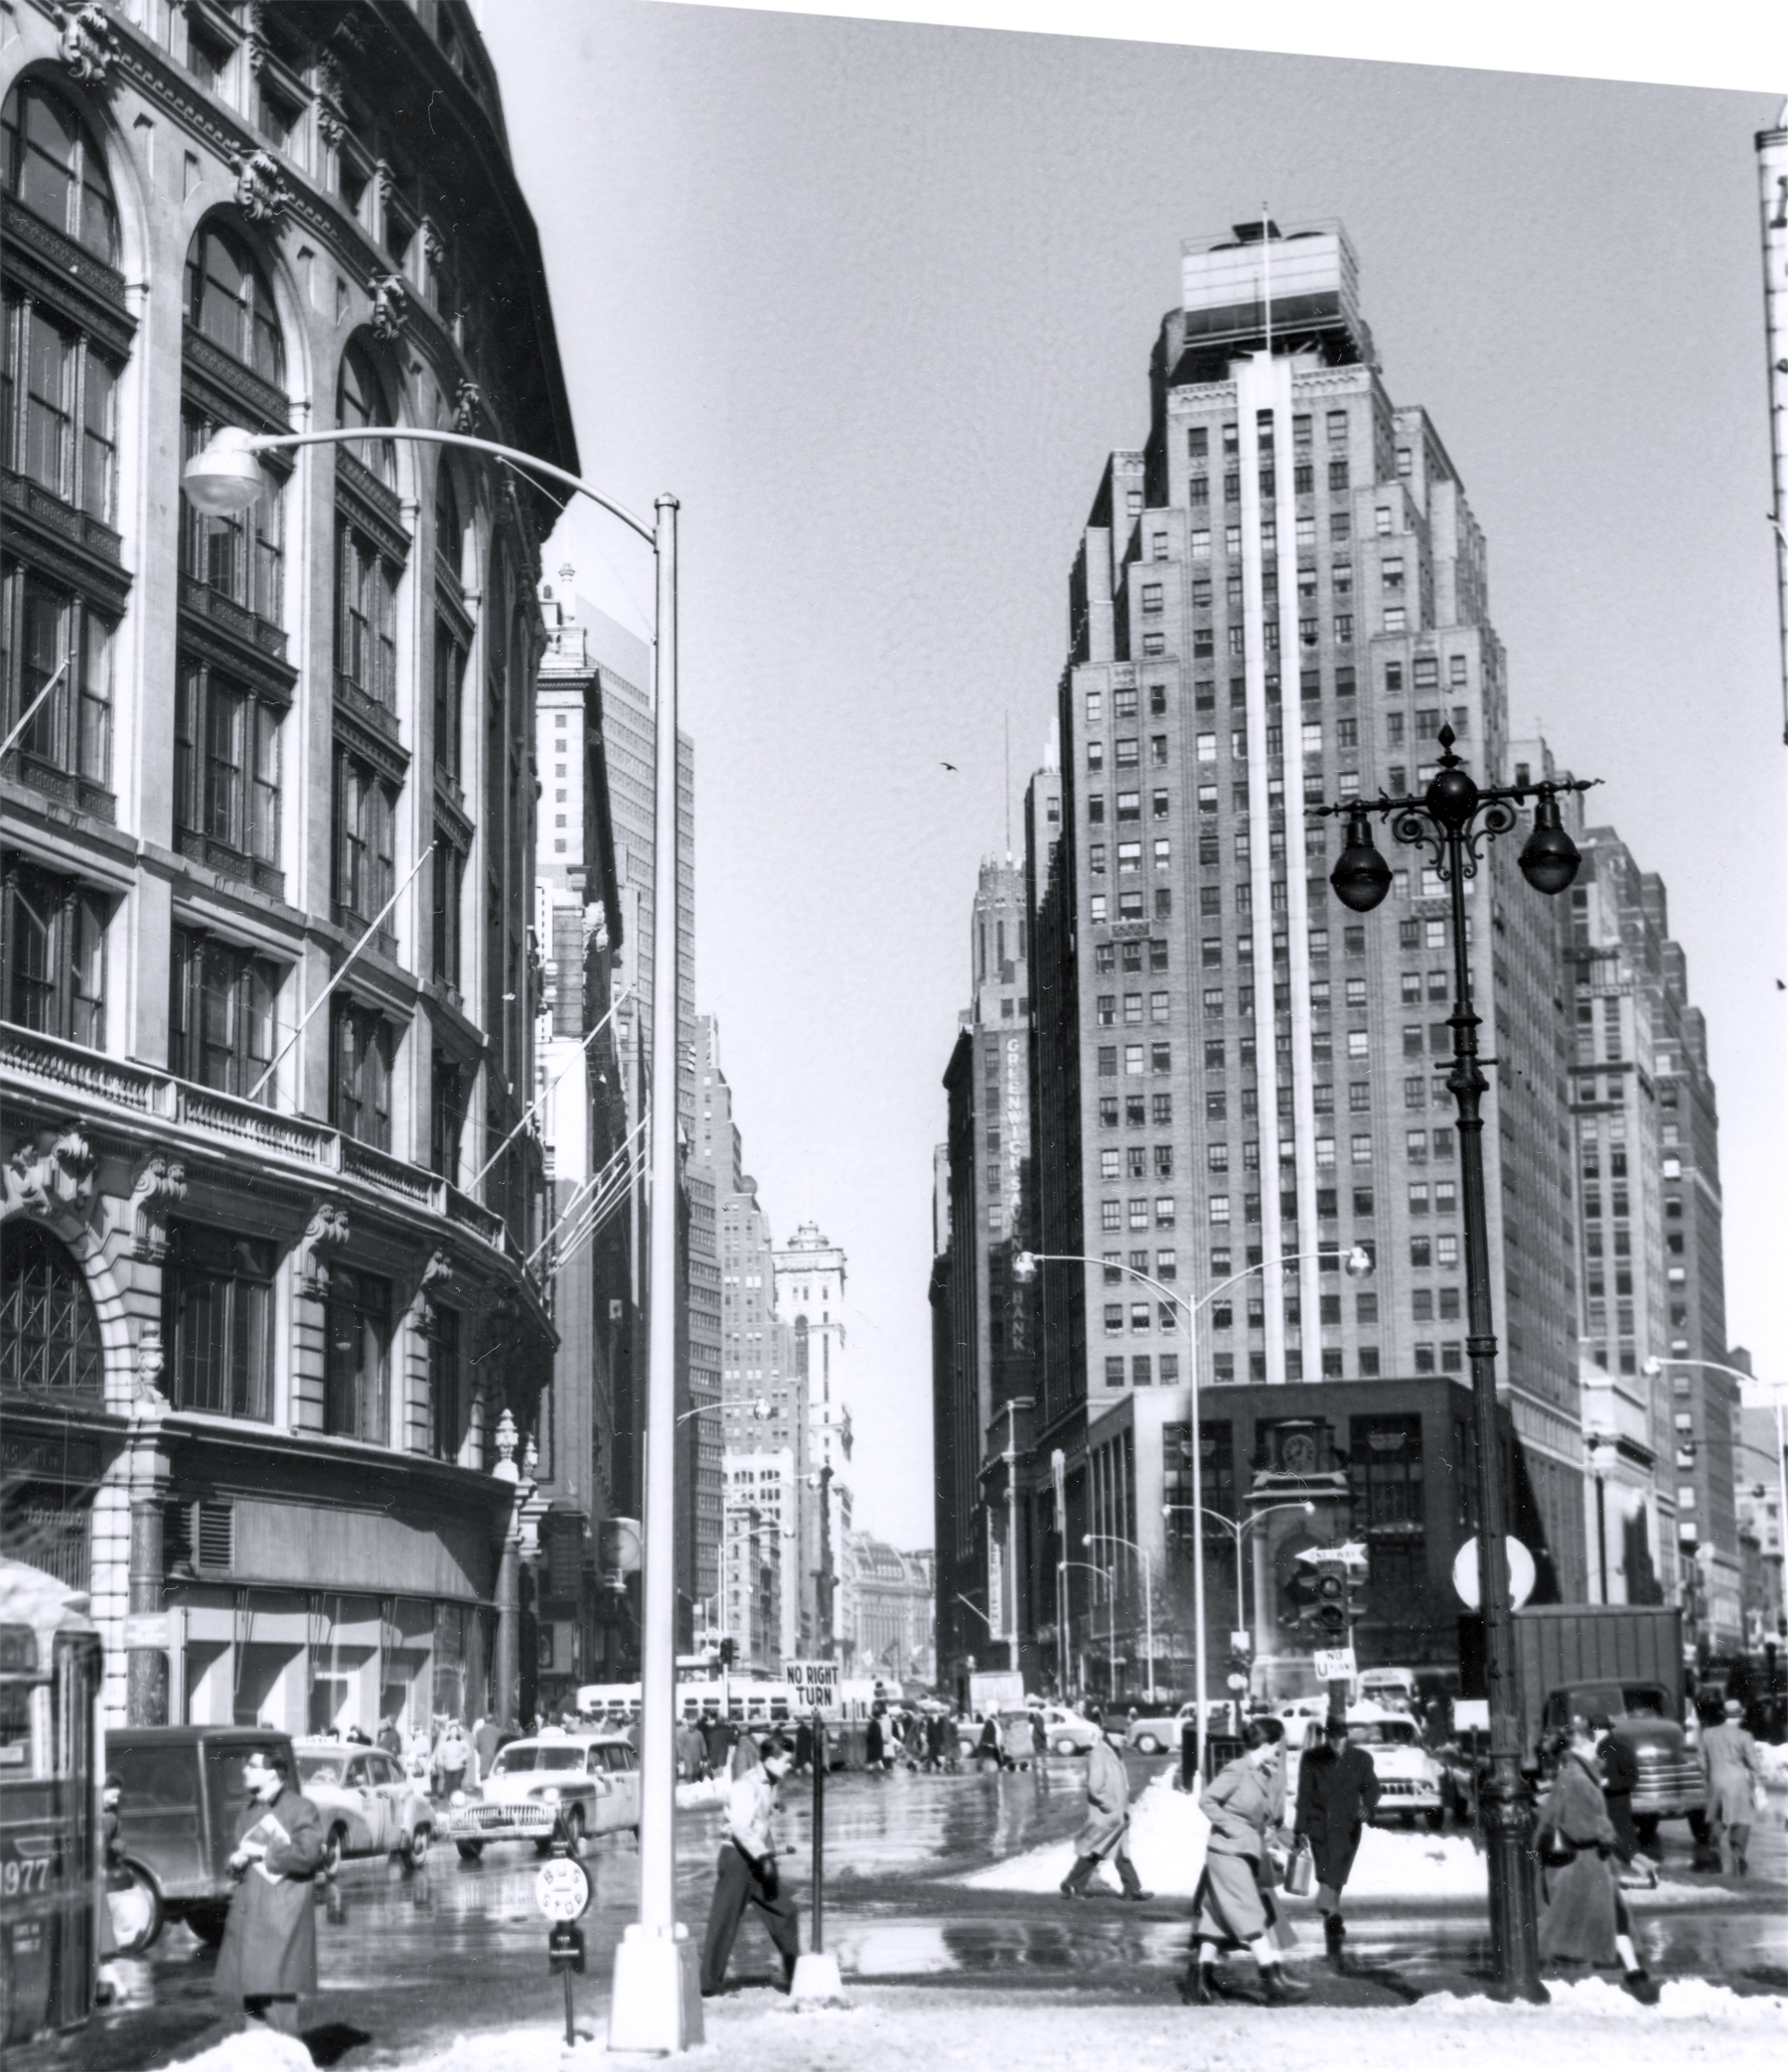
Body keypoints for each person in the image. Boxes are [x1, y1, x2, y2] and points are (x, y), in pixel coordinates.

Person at [1180, 1719, 1309, 2006]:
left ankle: (1197, 1985)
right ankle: (1272, 1983)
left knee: (1214, 1921)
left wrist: (1281, 1842)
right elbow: (1207, 1800)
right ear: (1266, 1745)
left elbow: (1265, 1819)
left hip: (1241, 1853)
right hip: (1227, 1853)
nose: (1278, 1751)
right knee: (1252, 1914)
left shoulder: (1260, 1774)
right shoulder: (1237, 1770)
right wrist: (1235, 1829)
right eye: (1276, 1746)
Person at [1535, 1718, 1655, 2001]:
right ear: (1581, 1746)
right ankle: (1536, 1976)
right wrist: (1608, 1835)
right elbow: (1581, 1825)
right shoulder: (1575, 1778)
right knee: (1566, 1925)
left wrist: (1630, 1856)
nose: (1596, 1747)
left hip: (1593, 1866)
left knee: (1613, 1919)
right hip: (1584, 1868)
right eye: (1591, 1742)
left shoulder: (1583, 1775)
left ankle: (1635, 1975)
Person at [214, 1746, 326, 2037]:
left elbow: (309, 1855)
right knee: (253, 2008)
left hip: (279, 1923)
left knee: (279, 2008)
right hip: (248, 1921)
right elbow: (241, 1865)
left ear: (273, 1774)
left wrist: (264, 1852)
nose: (244, 1770)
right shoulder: (248, 1812)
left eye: (251, 1765)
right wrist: (236, 1863)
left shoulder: (301, 1809)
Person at [699, 1735, 802, 1998]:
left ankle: (798, 1977)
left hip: (756, 1858)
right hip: (738, 1858)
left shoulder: (769, 1782)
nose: (790, 1766)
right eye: (786, 1761)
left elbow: (759, 1823)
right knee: (724, 1921)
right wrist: (764, 1857)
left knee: (785, 1911)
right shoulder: (747, 1785)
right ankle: (707, 1985)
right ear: (770, 1760)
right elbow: (740, 1828)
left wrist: (767, 1856)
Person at [1293, 1715, 1381, 1965]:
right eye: (1332, 1737)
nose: (1336, 1742)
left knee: (1336, 1877)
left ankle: (1332, 1919)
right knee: (1325, 1876)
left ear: (1347, 1736)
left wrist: (1369, 1808)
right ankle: (1332, 1918)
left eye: (1340, 1737)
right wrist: (1299, 1830)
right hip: (1319, 1826)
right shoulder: (1311, 1758)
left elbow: (1372, 1788)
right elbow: (1304, 1794)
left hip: (1348, 1827)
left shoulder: (1361, 1759)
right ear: (1326, 1736)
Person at [1061, 1727, 1152, 1901]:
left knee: (1118, 1851)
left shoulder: (1114, 1753)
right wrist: (1112, 1806)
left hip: (1116, 1814)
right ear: (1110, 1733)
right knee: (1096, 1851)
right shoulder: (1099, 1754)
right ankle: (1072, 1883)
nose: (1124, 1738)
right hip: (1106, 1814)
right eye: (1121, 1734)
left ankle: (1131, 1889)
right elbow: (1095, 1787)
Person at [1701, 1698, 1762, 1876]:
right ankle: (1738, 1853)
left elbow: (1701, 1759)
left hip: (1716, 1780)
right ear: (1740, 1716)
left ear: (1724, 1715)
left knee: (1718, 1815)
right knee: (1742, 1818)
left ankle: (1714, 1846)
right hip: (1738, 1783)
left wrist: (1709, 1774)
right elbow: (1754, 1764)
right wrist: (1757, 1775)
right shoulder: (1744, 1736)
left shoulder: (1708, 1733)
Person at [1596, 1725, 1640, 1866]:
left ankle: (1649, 1869)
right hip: (1602, 1805)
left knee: (1626, 1847)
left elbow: (1631, 1778)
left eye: (1594, 1729)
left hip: (1618, 1805)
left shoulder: (1620, 1749)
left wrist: (1609, 1782)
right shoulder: (1593, 1750)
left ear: (1603, 1730)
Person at [675, 1714, 709, 1782]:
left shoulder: (699, 1733)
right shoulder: (684, 1734)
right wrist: (680, 1755)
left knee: (696, 1770)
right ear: (689, 1726)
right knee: (689, 1771)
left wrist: (704, 1753)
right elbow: (681, 1745)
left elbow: (703, 1744)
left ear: (695, 1727)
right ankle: (689, 1783)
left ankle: (695, 1783)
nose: (691, 1728)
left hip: (696, 1755)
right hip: (687, 1755)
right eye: (690, 1727)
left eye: (693, 1727)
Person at [865, 1706, 886, 1774]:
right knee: (877, 1758)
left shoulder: (872, 1724)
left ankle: (871, 1770)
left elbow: (870, 1736)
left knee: (873, 1758)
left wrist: (868, 1740)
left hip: (873, 1745)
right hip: (878, 1744)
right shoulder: (877, 1724)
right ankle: (881, 1768)